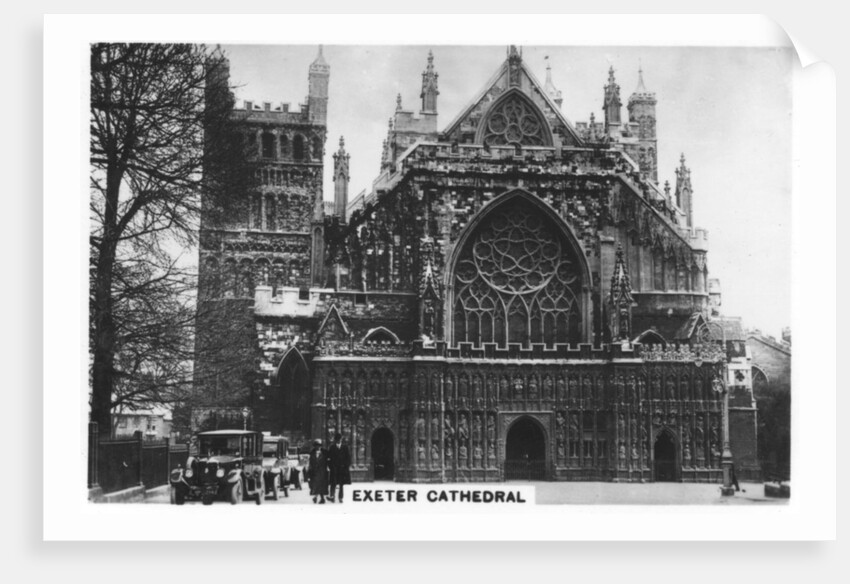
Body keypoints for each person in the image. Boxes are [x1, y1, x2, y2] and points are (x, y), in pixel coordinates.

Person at [327, 432, 352, 503]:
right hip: (334, 468)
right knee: (333, 483)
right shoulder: (332, 447)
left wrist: (346, 466)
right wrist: (331, 467)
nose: (338, 440)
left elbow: (348, 458)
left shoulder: (345, 447)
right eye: (337, 439)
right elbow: (329, 458)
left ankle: (340, 497)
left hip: (342, 469)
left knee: (341, 484)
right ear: (335, 440)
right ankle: (332, 496)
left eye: (340, 439)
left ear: (341, 439)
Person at [307, 438, 329, 504]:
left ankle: (320, 498)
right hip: (314, 472)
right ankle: (318, 498)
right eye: (316, 445)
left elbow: (327, 462)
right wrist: (309, 472)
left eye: (319, 445)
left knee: (321, 485)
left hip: (322, 472)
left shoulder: (324, 453)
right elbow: (310, 463)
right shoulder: (312, 453)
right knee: (315, 485)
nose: (318, 447)